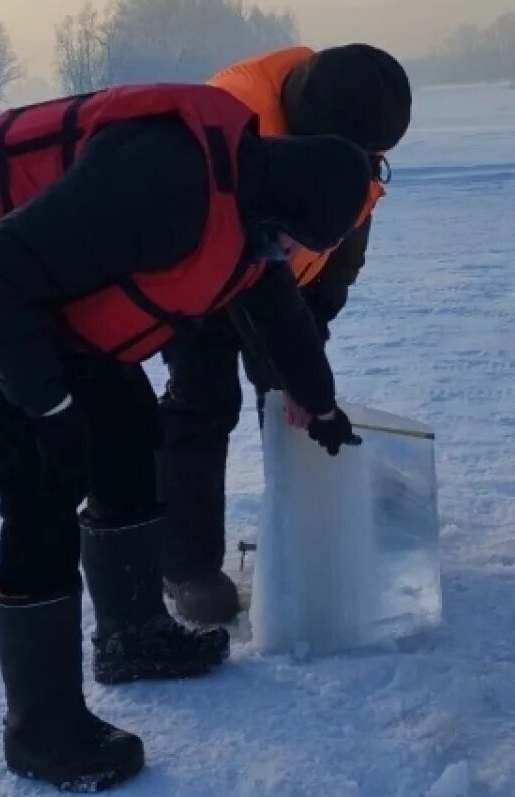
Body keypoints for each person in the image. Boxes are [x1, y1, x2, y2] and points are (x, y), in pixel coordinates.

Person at [0, 82, 371, 792]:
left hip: (49, 281)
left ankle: (132, 636)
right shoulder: (166, 186)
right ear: (278, 206)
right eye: (291, 238)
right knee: (40, 480)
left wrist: (322, 403)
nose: (287, 253)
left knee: (127, 428)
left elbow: (276, 310)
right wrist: (50, 410)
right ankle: (42, 732)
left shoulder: (252, 201)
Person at [157, 43, 414, 625]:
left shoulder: (348, 107)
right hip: (198, 263)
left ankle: (309, 533)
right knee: (204, 397)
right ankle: (185, 564)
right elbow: (250, 281)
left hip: (276, 275)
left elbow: (349, 235)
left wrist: (315, 319)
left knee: (291, 395)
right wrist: (298, 375)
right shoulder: (234, 129)